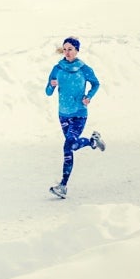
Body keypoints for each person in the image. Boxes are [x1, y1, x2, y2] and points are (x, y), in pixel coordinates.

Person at [44, 36, 104, 199]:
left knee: (68, 146)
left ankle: (63, 185)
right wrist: (51, 85)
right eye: (65, 49)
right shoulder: (57, 68)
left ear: (77, 50)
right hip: (63, 115)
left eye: (70, 49)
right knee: (72, 146)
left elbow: (96, 83)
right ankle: (92, 142)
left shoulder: (84, 69)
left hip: (79, 113)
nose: (67, 52)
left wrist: (88, 96)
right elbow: (48, 92)